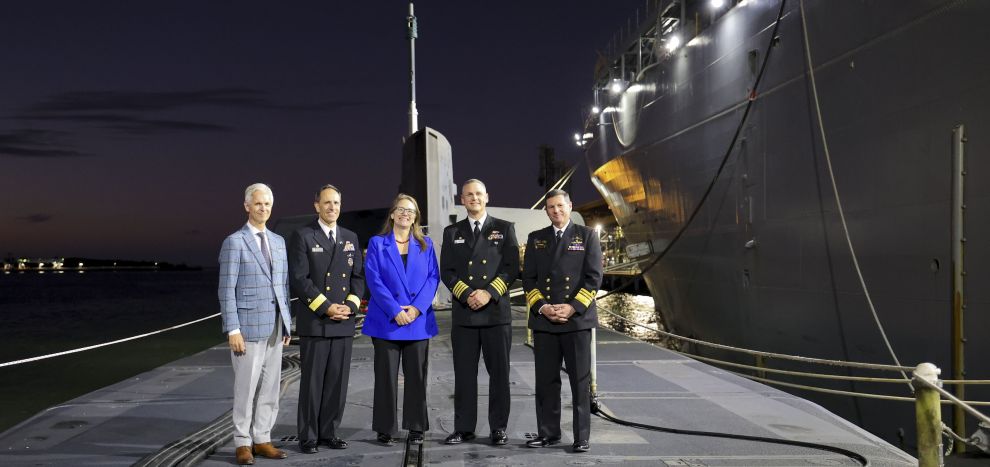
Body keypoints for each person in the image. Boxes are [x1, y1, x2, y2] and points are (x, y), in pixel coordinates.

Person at [522, 189, 603, 453]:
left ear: (570, 205)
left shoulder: (588, 236)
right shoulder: (536, 239)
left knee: (579, 381)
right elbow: (529, 280)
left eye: (560, 206)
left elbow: (593, 279)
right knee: (546, 381)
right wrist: (544, 307)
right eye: (551, 207)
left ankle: (581, 437)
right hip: (545, 321)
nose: (556, 211)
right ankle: (548, 433)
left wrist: (572, 307)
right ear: (546, 211)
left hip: (576, 321)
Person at [439, 179, 519, 446]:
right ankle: (464, 428)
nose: (474, 198)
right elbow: (447, 271)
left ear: (487, 197)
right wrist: (467, 294)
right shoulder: (452, 233)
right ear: (462, 199)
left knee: (499, 374)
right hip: (465, 313)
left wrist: (489, 293)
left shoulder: (504, 229)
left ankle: (498, 427)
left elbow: (511, 268)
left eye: (478, 194)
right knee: (464, 375)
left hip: (496, 313)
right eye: (469, 195)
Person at [218, 183, 293, 465]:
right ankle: (242, 443)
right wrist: (232, 329)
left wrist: (286, 323)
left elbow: (282, 286)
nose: (264, 208)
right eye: (258, 204)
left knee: (272, 387)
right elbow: (226, 289)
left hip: (275, 326)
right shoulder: (234, 242)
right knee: (245, 389)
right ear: (247, 206)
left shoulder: (278, 242)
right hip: (247, 328)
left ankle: (262, 439)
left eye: (268, 204)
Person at [288, 184, 365, 454]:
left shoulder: (350, 237)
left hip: (343, 321)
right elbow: (299, 279)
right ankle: (308, 437)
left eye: (336, 203)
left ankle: (329, 432)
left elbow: (358, 277)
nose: (332, 207)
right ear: (317, 206)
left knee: (337, 382)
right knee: (313, 384)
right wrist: (327, 307)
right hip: (317, 320)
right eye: (327, 203)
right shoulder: (303, 236)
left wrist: (350, 306)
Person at [361, 194, 440, 446]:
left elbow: (433, 279)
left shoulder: (426, 244)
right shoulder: (377, 243)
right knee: (385, 377)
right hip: (387, 321)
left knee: (417, 377)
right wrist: (395, 310)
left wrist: (416, 309)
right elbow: (374, 279)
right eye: (401, 209)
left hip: (417, 321)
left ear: (416, 217)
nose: (406, 214)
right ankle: (385, 428)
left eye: (411, 210)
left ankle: (416, 426)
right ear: (393, 214)